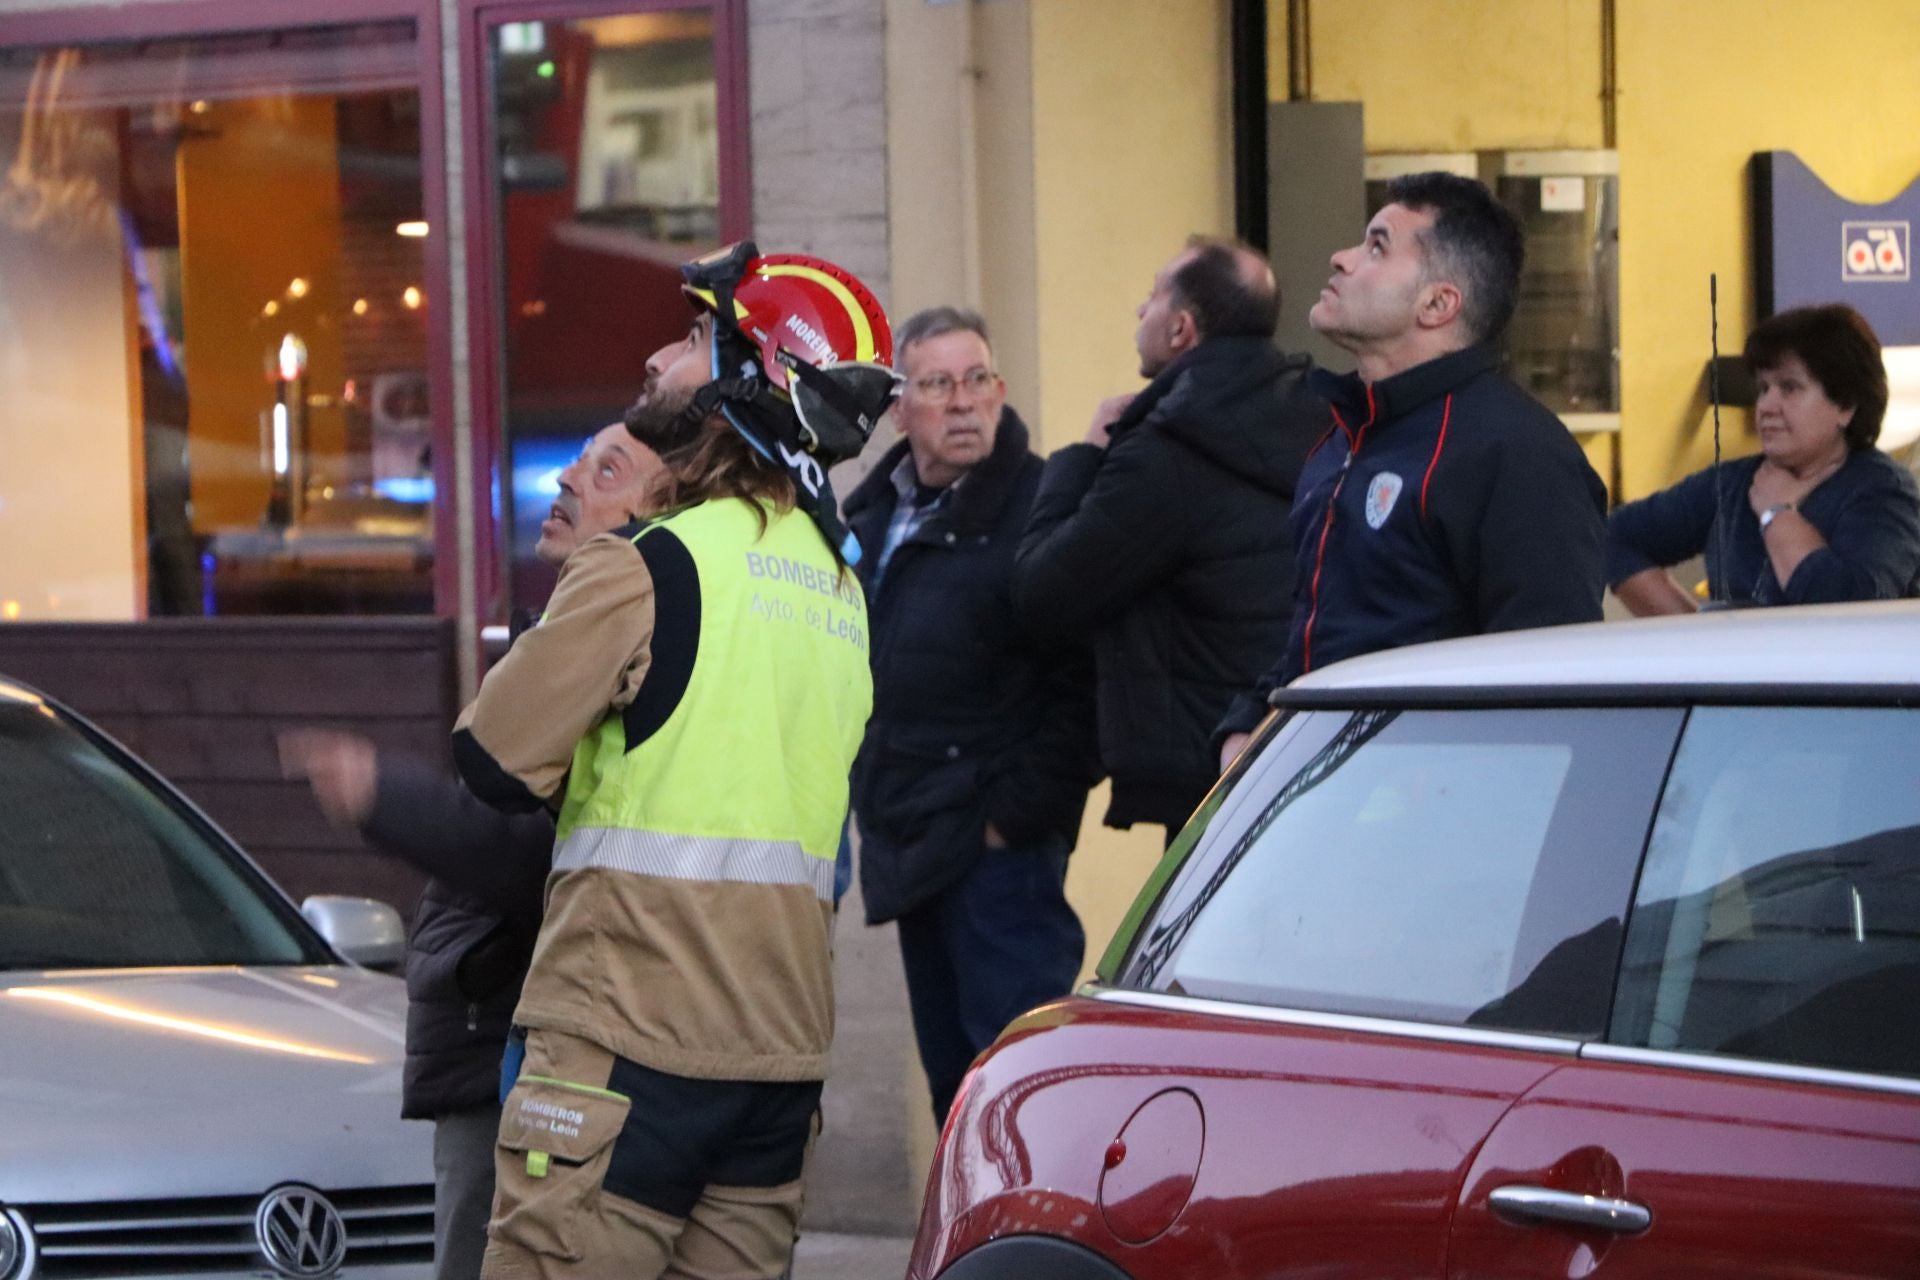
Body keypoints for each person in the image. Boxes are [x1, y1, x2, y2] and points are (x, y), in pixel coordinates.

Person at [450, 241, 897, 1280]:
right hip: (776, 1069)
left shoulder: (652, 563)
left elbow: (489, 758)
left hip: (623, 1046)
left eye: (698, 337)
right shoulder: (841, 591)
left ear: (755, 379)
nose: (662, 352)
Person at [279, 423, 664, 1280]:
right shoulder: (555, 639)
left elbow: (528, 852)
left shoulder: (627, 663)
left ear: (658, 522)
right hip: (491, 1050)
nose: (566, 478)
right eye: (578, 458)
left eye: (607, 469)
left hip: (527, 1052)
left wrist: (383, 795)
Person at [1215, 172, 1607, 767]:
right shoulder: (1346, 433)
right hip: (1328, 804)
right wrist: (1247, 725)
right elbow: (1325, 633)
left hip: (1438, 828)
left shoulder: (1513, 451)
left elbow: (1552, 687)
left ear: (1438, 303)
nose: (1341, 258)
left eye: (1377, 246)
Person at [843, 306, 1099, 1124]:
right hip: (909, 838)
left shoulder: (1043, 505)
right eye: (938, 384)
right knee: (954, 1094)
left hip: (998, 854)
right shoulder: (870, 515)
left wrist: (1016, 817)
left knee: (1018, 1102)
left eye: (977, 379)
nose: (963, 402)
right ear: (898, 407)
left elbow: (1086, 685)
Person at [1014, 236, 1323, 842]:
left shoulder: (1166, 453)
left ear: (1182, 329)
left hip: (1212, 776)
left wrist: (1083, 454)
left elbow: (1041, 596)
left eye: (1152, 297)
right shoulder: (1323, 418)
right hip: (1308, 752)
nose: (1139, 311)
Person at [1607, 303, 1920, 612]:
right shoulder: (1731, 483)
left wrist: (1777, 514)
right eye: (1763, 388)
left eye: (1790, 388)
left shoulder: (1883, 493)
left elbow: (1852, 613)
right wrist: (1696, 638)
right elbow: (1613, 537)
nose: (1766, 406)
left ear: (1845, 406)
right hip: (1740, 665)